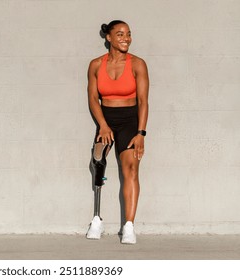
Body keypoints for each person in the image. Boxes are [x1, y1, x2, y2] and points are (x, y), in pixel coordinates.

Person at [86, 20, 149, 244]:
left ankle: (129, 226)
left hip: (130, 121)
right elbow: (94, 99)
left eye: (129, 34)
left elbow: (143, 101)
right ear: (109, 38)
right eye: (120, 34)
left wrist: (141, 133)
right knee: (98, 163)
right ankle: (97, 220)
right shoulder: (95, 64)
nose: (126, 38)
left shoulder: (137, 64)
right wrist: (102, 124)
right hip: (106, 120)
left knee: (130, 169)